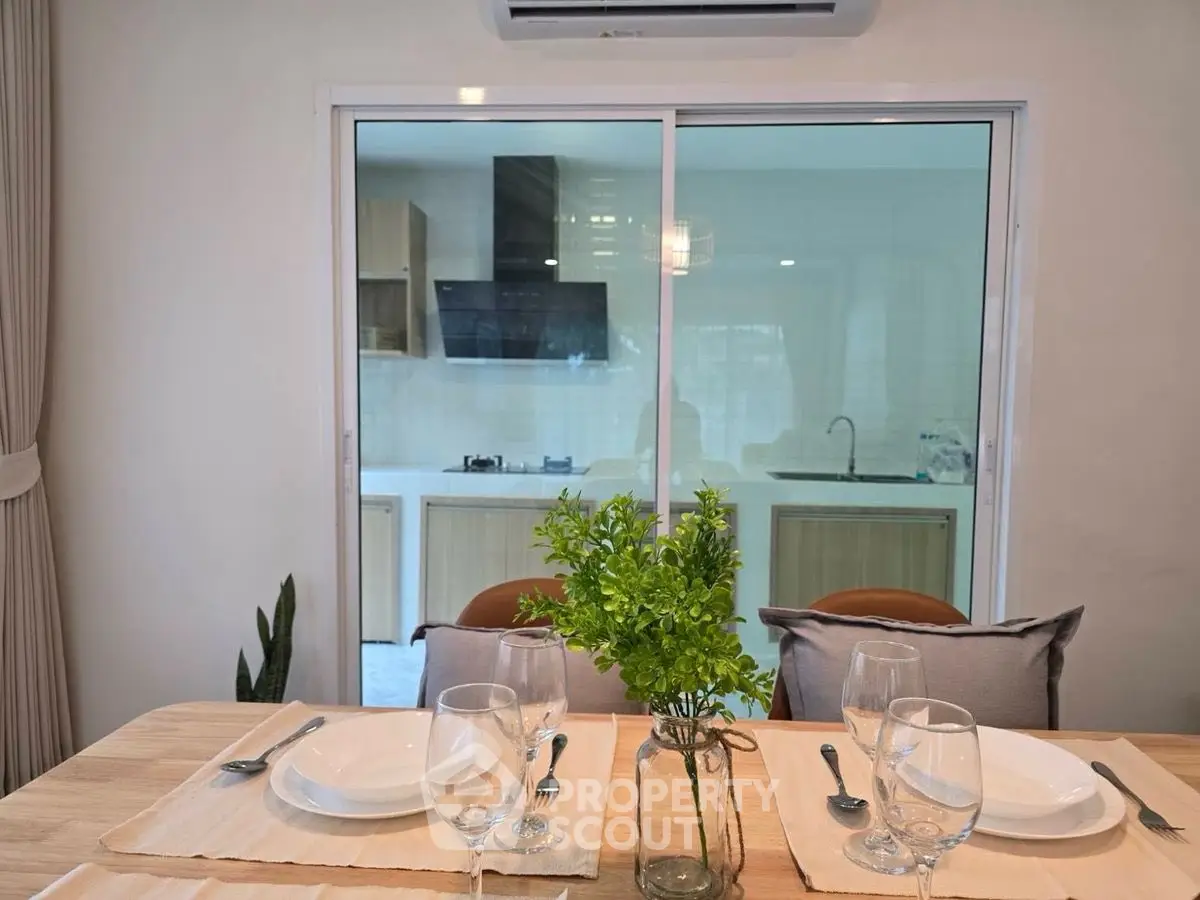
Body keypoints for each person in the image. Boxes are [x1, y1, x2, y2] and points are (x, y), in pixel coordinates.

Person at [635, 380, 702, 463]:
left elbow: (695, 445)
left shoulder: (688, 412)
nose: (667, 396)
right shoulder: (649, 410)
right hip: (655, 462)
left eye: (670, 392)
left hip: (684, 462)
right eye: (663, 392)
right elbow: (641, 440)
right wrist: (641, 454)